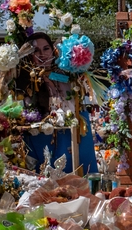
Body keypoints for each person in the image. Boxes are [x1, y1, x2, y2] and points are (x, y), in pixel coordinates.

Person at [17, 32, 98, 174]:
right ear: (29, 54)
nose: (42, 54)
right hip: (42, 139)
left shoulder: (66, 74)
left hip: (71, 136)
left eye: (46, 49)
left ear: (53, 50)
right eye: (36, 50)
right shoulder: (26, 80)